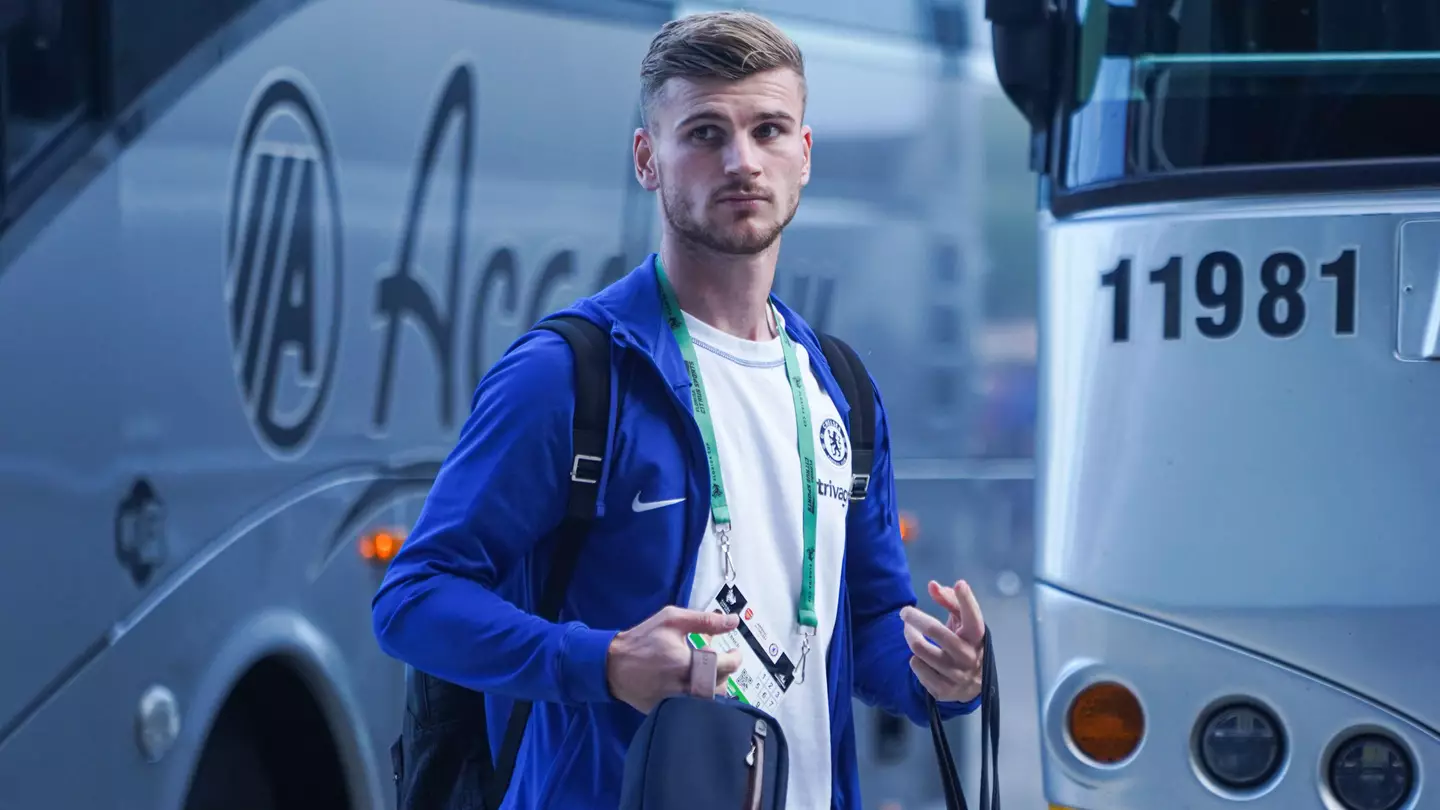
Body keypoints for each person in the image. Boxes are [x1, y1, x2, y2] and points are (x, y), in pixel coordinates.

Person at [371, 10, 989, 809]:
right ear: (647, 159)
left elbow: (866, 625)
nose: (742, 161)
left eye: (769, 130)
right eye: (703, 133)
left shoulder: (841, 387)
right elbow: (412, 599)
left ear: (804, 156)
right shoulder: (568, 374)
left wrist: (941, 676)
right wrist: (604, 662)